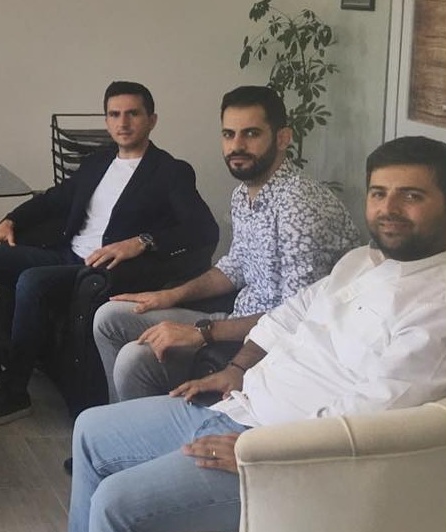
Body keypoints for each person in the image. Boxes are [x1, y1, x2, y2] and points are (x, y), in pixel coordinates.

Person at [10, 136, 446, 532]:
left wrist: (258, 450)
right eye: (379, 193)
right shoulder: (363, 261)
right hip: (243, 410)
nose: (389, 208)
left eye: (411, 196)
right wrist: (237, 369)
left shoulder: (440, 306)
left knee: (117, 503)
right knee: (92, 429)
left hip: (290, 468)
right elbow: (288, 315)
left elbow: (368, 424)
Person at [0, 81, 217, 425]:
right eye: (114, 115)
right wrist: (10, 220)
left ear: (152, 120)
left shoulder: (170, 171)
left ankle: (15, 391)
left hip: (99, 269)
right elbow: (54, 199)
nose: (123, 123)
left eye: (133, 114)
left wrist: (142, 241)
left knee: (31, 281)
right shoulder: (98, 162)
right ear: (106, 121)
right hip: (64, 254)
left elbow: (202, 228)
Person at [93, 86, 363, 402]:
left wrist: (202, 332)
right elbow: (235, 268)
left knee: (135, 358)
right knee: (109, 317)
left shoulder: (299, 205)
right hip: (238, 318)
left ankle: (136, 428)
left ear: (282, 138)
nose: (236, 146)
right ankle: (116, 419)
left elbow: (295, 316)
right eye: (228, 134)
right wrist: (168, 296)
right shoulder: (244, 194)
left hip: (272, 339)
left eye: (251, 134)